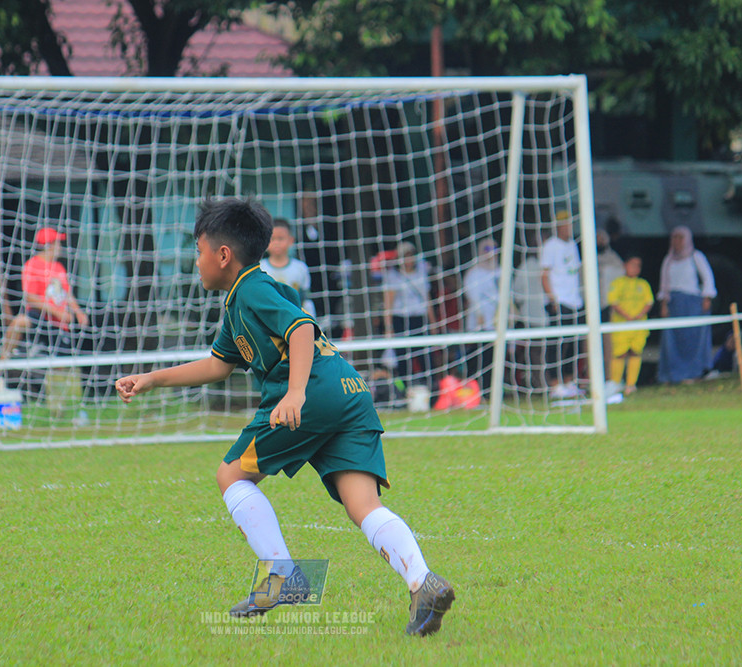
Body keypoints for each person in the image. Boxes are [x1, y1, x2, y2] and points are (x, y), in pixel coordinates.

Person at [114, 198, 453, 637]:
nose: (195, 262)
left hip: (311, 394)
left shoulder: (252, 290)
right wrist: (152, 379)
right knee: (363, 506)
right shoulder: (248, 296)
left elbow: (302, 329)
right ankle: (422, 582)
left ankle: (284, 578)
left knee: (230, 476)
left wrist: (293, 393)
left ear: (223, 255)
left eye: (199, 251)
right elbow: (218, 365)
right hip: (348, 391)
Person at [2, 227, 88, 359]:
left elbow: (67, 294)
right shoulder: (32, 265)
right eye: (58, 243)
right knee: (20, 322)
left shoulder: (59, 267)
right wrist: (56, 311)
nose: (60, 247)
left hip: (59, 324)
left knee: (60, 366)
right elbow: (30, 298)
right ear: (49, 245)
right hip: (41, 317)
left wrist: (78, 312)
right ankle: (3, 361)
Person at [657, 226, 716, 384]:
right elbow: (664, 284)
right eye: (674, 238)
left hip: (692, 303)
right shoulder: (668, 259)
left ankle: (693, 373)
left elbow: (708, 278)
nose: (677, 241)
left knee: (692, 340)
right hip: (674, 304)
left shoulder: (696, 257)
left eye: (680, 238)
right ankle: (674, 375)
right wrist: (664, 304)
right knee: (673, 341)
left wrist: (706, 297)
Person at [382, 242, 438, 400]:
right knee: (403, 358)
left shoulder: (422, 271)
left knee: (425, 356)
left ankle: (433, 392)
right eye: (405, 256)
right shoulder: (393, 276)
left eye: (410, 255)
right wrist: (389, 327)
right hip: (401, 319)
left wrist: (433, 323)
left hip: (419, 319)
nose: (408, 260)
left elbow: (428, 300)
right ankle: (405, 393)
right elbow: (388, 304)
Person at [540, 211, 585, 398]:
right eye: (564, 224)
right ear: (558, 226)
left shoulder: (573, 244)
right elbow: (544, 275)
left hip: (575, 301)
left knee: (574, 344)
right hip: (559, 301)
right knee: (557, 344)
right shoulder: (551, 246)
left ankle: (569, 381)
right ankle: (555, 385)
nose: (567, 227)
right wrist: (552, 298)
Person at [606, 255, 654, 395]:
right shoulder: (618, 283)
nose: (635, 268)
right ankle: (615, 383)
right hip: (621, 326)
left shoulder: (643, 284)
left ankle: (630, 384)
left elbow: (649, 302)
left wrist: (639, 315)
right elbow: (613, 302)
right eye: (632, 264)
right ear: (625, 265)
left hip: (638, 326)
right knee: (619, 354)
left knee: (635, 352)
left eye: (638, 265)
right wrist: (627, 316)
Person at [462, 239, 499, 398]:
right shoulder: (474, 272)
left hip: (496, 324)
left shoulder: (500, 270)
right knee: (477, 358)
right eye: (487, 249)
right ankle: (474, 392)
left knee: (493, 358)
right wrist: (480, 316)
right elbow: (473, 296)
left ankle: (492, 391)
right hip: (479, 324)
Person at [511, 233, 548, 391]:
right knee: (535, 352)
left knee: (541, 352)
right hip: (533, 316)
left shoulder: (547, 264)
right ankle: (537, 383)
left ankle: (540, 382)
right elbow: (516, 291)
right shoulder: (528, 265)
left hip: (547, 315)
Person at [260, 218, 316, 316]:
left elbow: (306, 299)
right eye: (272, 239)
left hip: (294, 319)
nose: (276, 243)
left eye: (280, 238)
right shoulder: (259, 268)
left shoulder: (300, 268)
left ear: (291, 240)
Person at [596, 228, 625, 367]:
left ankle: (609, 376)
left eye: (601, 238)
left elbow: (619, 279)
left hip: (608, 305)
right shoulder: (586, 257)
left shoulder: (613, 259)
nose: (598, 241)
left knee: (609, 341)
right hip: (590, 305)